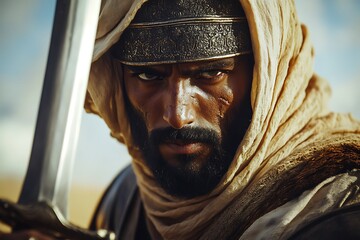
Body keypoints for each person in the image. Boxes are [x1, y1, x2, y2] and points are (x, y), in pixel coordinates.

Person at [1, 0, 360, 239]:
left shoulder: (340, 213)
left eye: (211, 74)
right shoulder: (127, 200)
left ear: (267, 77)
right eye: (147, 76)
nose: (177, 114)